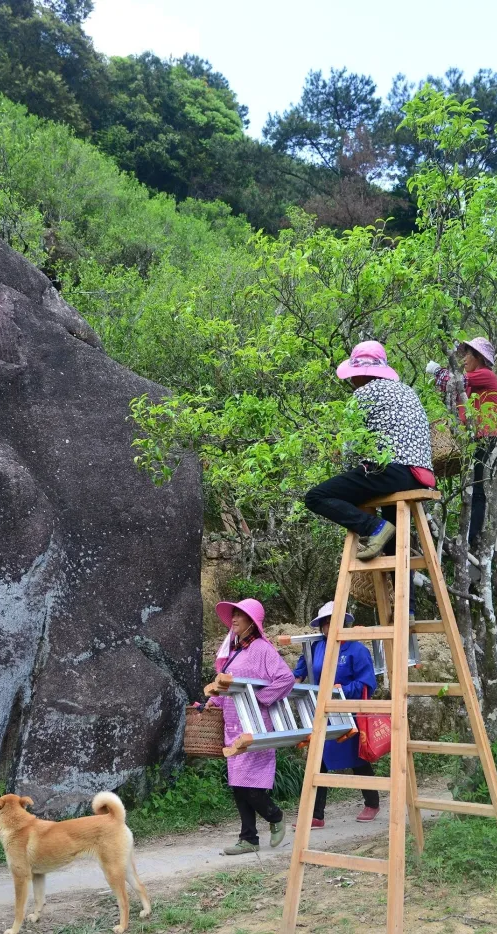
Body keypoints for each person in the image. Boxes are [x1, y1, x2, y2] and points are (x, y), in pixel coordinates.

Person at [305, 341, 435, 560]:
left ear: (361, 374)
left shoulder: (362, 395)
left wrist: (347, 474)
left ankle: (374, 527)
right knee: (395, 548)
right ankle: (406, 595)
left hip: (389, 471)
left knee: (316, 497)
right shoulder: (407, 391)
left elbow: (351, 447)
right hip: (418, 475)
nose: (352, 381)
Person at [206, 598, 295, 856]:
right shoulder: (235, 651)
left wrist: (258, 699)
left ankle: (275, 816)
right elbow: (227, 687)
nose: (233, 620)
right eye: (232, 615)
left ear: (252, 622)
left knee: (252, 787)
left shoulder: (262, 650)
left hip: (255, 725)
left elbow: (285, 678)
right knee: (237, 784)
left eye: (239, 616)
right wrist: (213, 701)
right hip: (233, 725)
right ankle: (248, 838)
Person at [292, 602, 379, 829]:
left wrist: (340, 690)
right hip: (322, 712)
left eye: (335, 621)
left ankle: (372, 802)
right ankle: (316, 815)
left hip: (349, 712)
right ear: (321, 626)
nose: (330, 626)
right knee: (318, 760)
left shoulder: (357, 650)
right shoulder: (314, 647)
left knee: (357, 759)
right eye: (326, 622)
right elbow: (301, 671)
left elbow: (368, 682)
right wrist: (289, 688)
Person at [429, 337, 497, 547]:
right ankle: (468, 534)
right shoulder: (472, 382)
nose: (464, 359)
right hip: (471, 439)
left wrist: (437, 371)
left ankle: (472, 537)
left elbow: (453, 381)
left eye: (468, 354)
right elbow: (452, 392)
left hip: (485, 438)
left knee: (478, 490)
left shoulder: (486, 376)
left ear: (478, 357)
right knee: (470, 489)